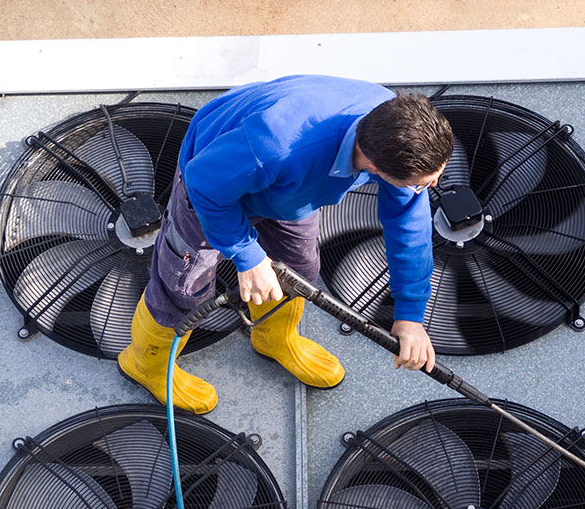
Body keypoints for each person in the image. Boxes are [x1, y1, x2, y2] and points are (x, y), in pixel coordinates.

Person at [117, 75, 453, 413]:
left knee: (299, 271)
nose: (437, 182)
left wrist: (409, 317)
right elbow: (202, 182)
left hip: (289, 188)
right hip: (215, 177)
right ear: (374, 167)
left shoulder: (393, 125)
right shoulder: (278, 143)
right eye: (424, 183)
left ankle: (273, 338)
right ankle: (146, 366)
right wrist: (248, 257)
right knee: (184, 289)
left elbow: (409, 226)